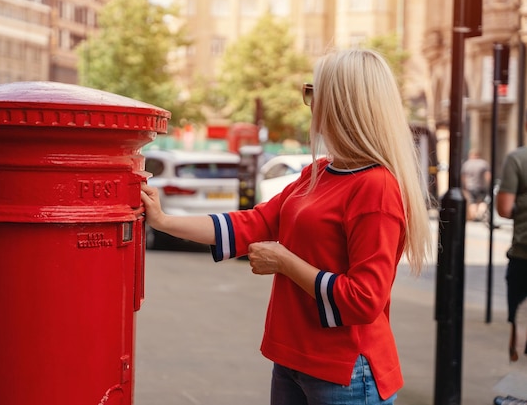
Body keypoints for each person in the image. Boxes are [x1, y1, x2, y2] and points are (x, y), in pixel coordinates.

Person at [141, 48, 433, 405]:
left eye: (314, 93)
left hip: (345, 373)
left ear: (341, 104)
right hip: (293, 360)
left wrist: (284, 262)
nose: (309, 104)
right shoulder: (319, 172)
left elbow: (364, 300)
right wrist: (163, 220)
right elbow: (254, 223)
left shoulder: (376, 187)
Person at [496, 146, 527, 362]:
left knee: (521, 318)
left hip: (524, 254)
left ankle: (516, 343)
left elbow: (505, 208)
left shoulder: (518, 159)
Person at [461, 148, 491, 221]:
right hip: (481, 186)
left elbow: (463, 177)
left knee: (472, 202)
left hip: (470, 186)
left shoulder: (466, 164)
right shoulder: (483, 163)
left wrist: (465, 186)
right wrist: (489, 184)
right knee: (482, 201)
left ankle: (474, 216)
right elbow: (488, 175)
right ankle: (479, 214)